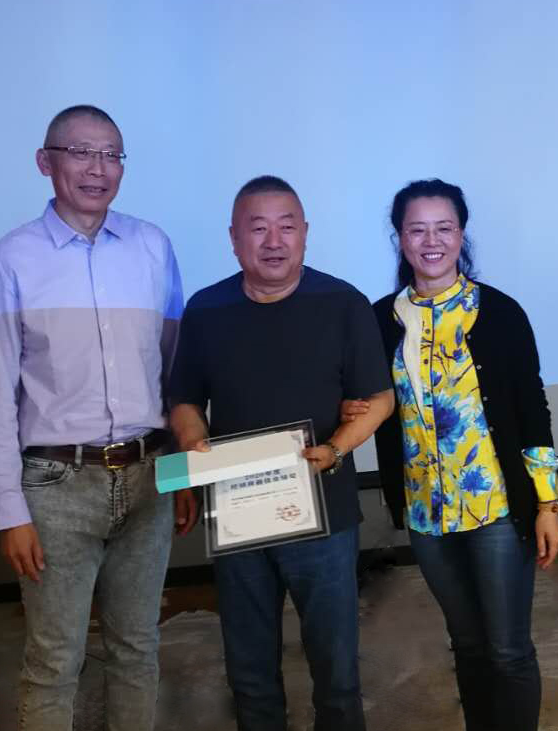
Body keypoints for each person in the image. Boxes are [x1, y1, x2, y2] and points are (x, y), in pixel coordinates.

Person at [0, 105, 183, 731]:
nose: (98, 169)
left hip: (149, 478)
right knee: (54, 661)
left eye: (111, 155)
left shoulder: (152, 247)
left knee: (138, 649)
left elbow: (176, 377)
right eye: (81, 152)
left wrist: (179, 475)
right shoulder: (10, 260)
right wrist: (10, 513)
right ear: (46, 162)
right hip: (56, 489)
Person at [168, 175, 393, 731]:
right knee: (249, 675)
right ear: (233, 238)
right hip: (237, 514)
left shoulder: (343, 303)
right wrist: (191, 445)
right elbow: (184, 399)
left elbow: (379, 398)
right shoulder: (206, 309)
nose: (274, 241)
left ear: (305, 233)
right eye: (258, 228)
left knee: (337, 675)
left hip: (325, 515)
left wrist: (337, 448)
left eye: (286, 227)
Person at [348, 178, 558, 731]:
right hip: (427, 515)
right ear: (400, 238)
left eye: (443, 228)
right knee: (466, 644)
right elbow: (368, 400)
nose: (431, 241)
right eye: (417, 230)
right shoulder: (380, 319)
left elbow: (532, 409)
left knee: (508, 650)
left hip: (497, 510)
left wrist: (547, 505)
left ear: (461, 234)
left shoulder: (500, 312)